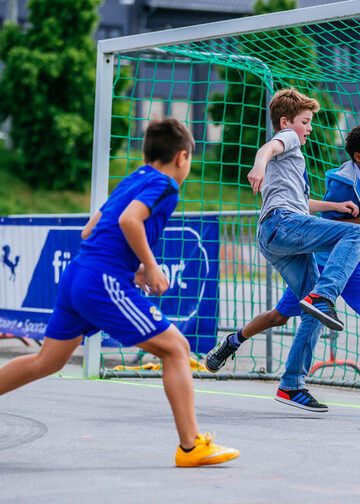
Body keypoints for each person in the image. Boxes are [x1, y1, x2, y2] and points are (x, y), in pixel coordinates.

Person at [0, 118, 239, 467]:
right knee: (176, 348)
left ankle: (192, 444)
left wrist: (134, 266)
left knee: (46, 360)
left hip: (78, 275)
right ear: (182, 158)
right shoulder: (166, 184)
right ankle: (191, 446)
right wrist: (151, 265)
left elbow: (89, 230)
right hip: (100, 280)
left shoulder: (134, 178)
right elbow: (129, 221)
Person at [206, 123, 360, 411]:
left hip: (353, 266)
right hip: (326, 263)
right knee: (279, 317)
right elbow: (326, 227)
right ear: (358, 157)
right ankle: (234, 341)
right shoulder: (344, 183)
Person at [207, 88, 360, 412]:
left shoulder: (292, 163)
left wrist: (335, 204)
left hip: (277, 236)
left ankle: (291, 384)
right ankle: (323, 295)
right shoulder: (287, 139)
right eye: (305, 121)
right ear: (286, 122)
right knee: (355, 235)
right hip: (282, 225)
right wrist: (258, 165)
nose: (309, 128)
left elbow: (301, 202)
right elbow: (269, 146)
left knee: (313, 315)